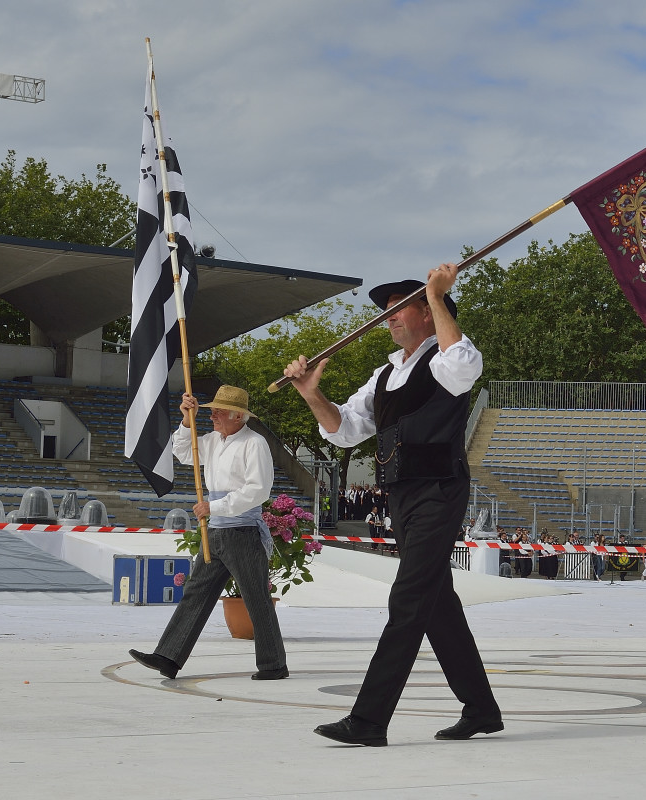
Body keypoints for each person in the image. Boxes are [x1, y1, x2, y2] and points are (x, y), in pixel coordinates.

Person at [283, 265, 502, 747]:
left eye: (400, 307)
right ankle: (482, 709)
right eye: (385, 311)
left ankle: (368, 720)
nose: (389, 318)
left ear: (427, 313)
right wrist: (310, 392)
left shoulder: (447, 357)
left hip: (440, 490)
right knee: (436, 603)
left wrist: (441, 298)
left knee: (407, 599)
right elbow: (344, 431)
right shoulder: (383, 374)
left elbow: (464, 366)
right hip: (400, 496)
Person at [128, 385, 287, 681]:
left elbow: (258, 490)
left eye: (218, 411)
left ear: (237, 415)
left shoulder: (255, 443)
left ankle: (274, 664)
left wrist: (216, 506)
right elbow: (184, 452)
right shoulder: (213, 440)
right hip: (214, 530)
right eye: (211, 409)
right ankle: (169, 657)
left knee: (256, 598)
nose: (212, 415)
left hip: (243, 531)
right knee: (196, 592)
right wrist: (188, 419)